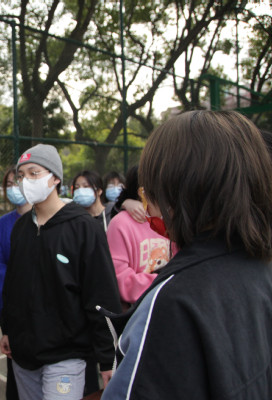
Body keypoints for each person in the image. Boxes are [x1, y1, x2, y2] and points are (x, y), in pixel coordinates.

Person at [102, 110, 272, 399]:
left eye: (151, 190)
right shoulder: (260, 265)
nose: (148, 203)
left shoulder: (170, 302)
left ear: (177, 192)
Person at [0, 144, 122, 400]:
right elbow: (13, 285)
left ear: (55, 178)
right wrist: (8, 329)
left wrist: (107, 356)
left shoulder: (83, 228)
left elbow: (101, 293)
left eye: (34, 173)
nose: (26, 181)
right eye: (21, 175)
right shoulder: (21, 228)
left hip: (66, 356)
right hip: (24, 355)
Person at [106, 166, 171, 310]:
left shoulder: (171, 221)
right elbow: (119, 279)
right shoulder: (120, 224)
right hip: (139, 310)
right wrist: (167, 283)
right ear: (142, 191)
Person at [0, 166, 31, 400]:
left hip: (44, 313)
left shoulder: (48, 220)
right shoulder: (3, 224)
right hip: (12, 313)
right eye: (9, 184)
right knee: (16, 374)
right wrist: (4, 314)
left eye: (18, 182)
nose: (14, 188)